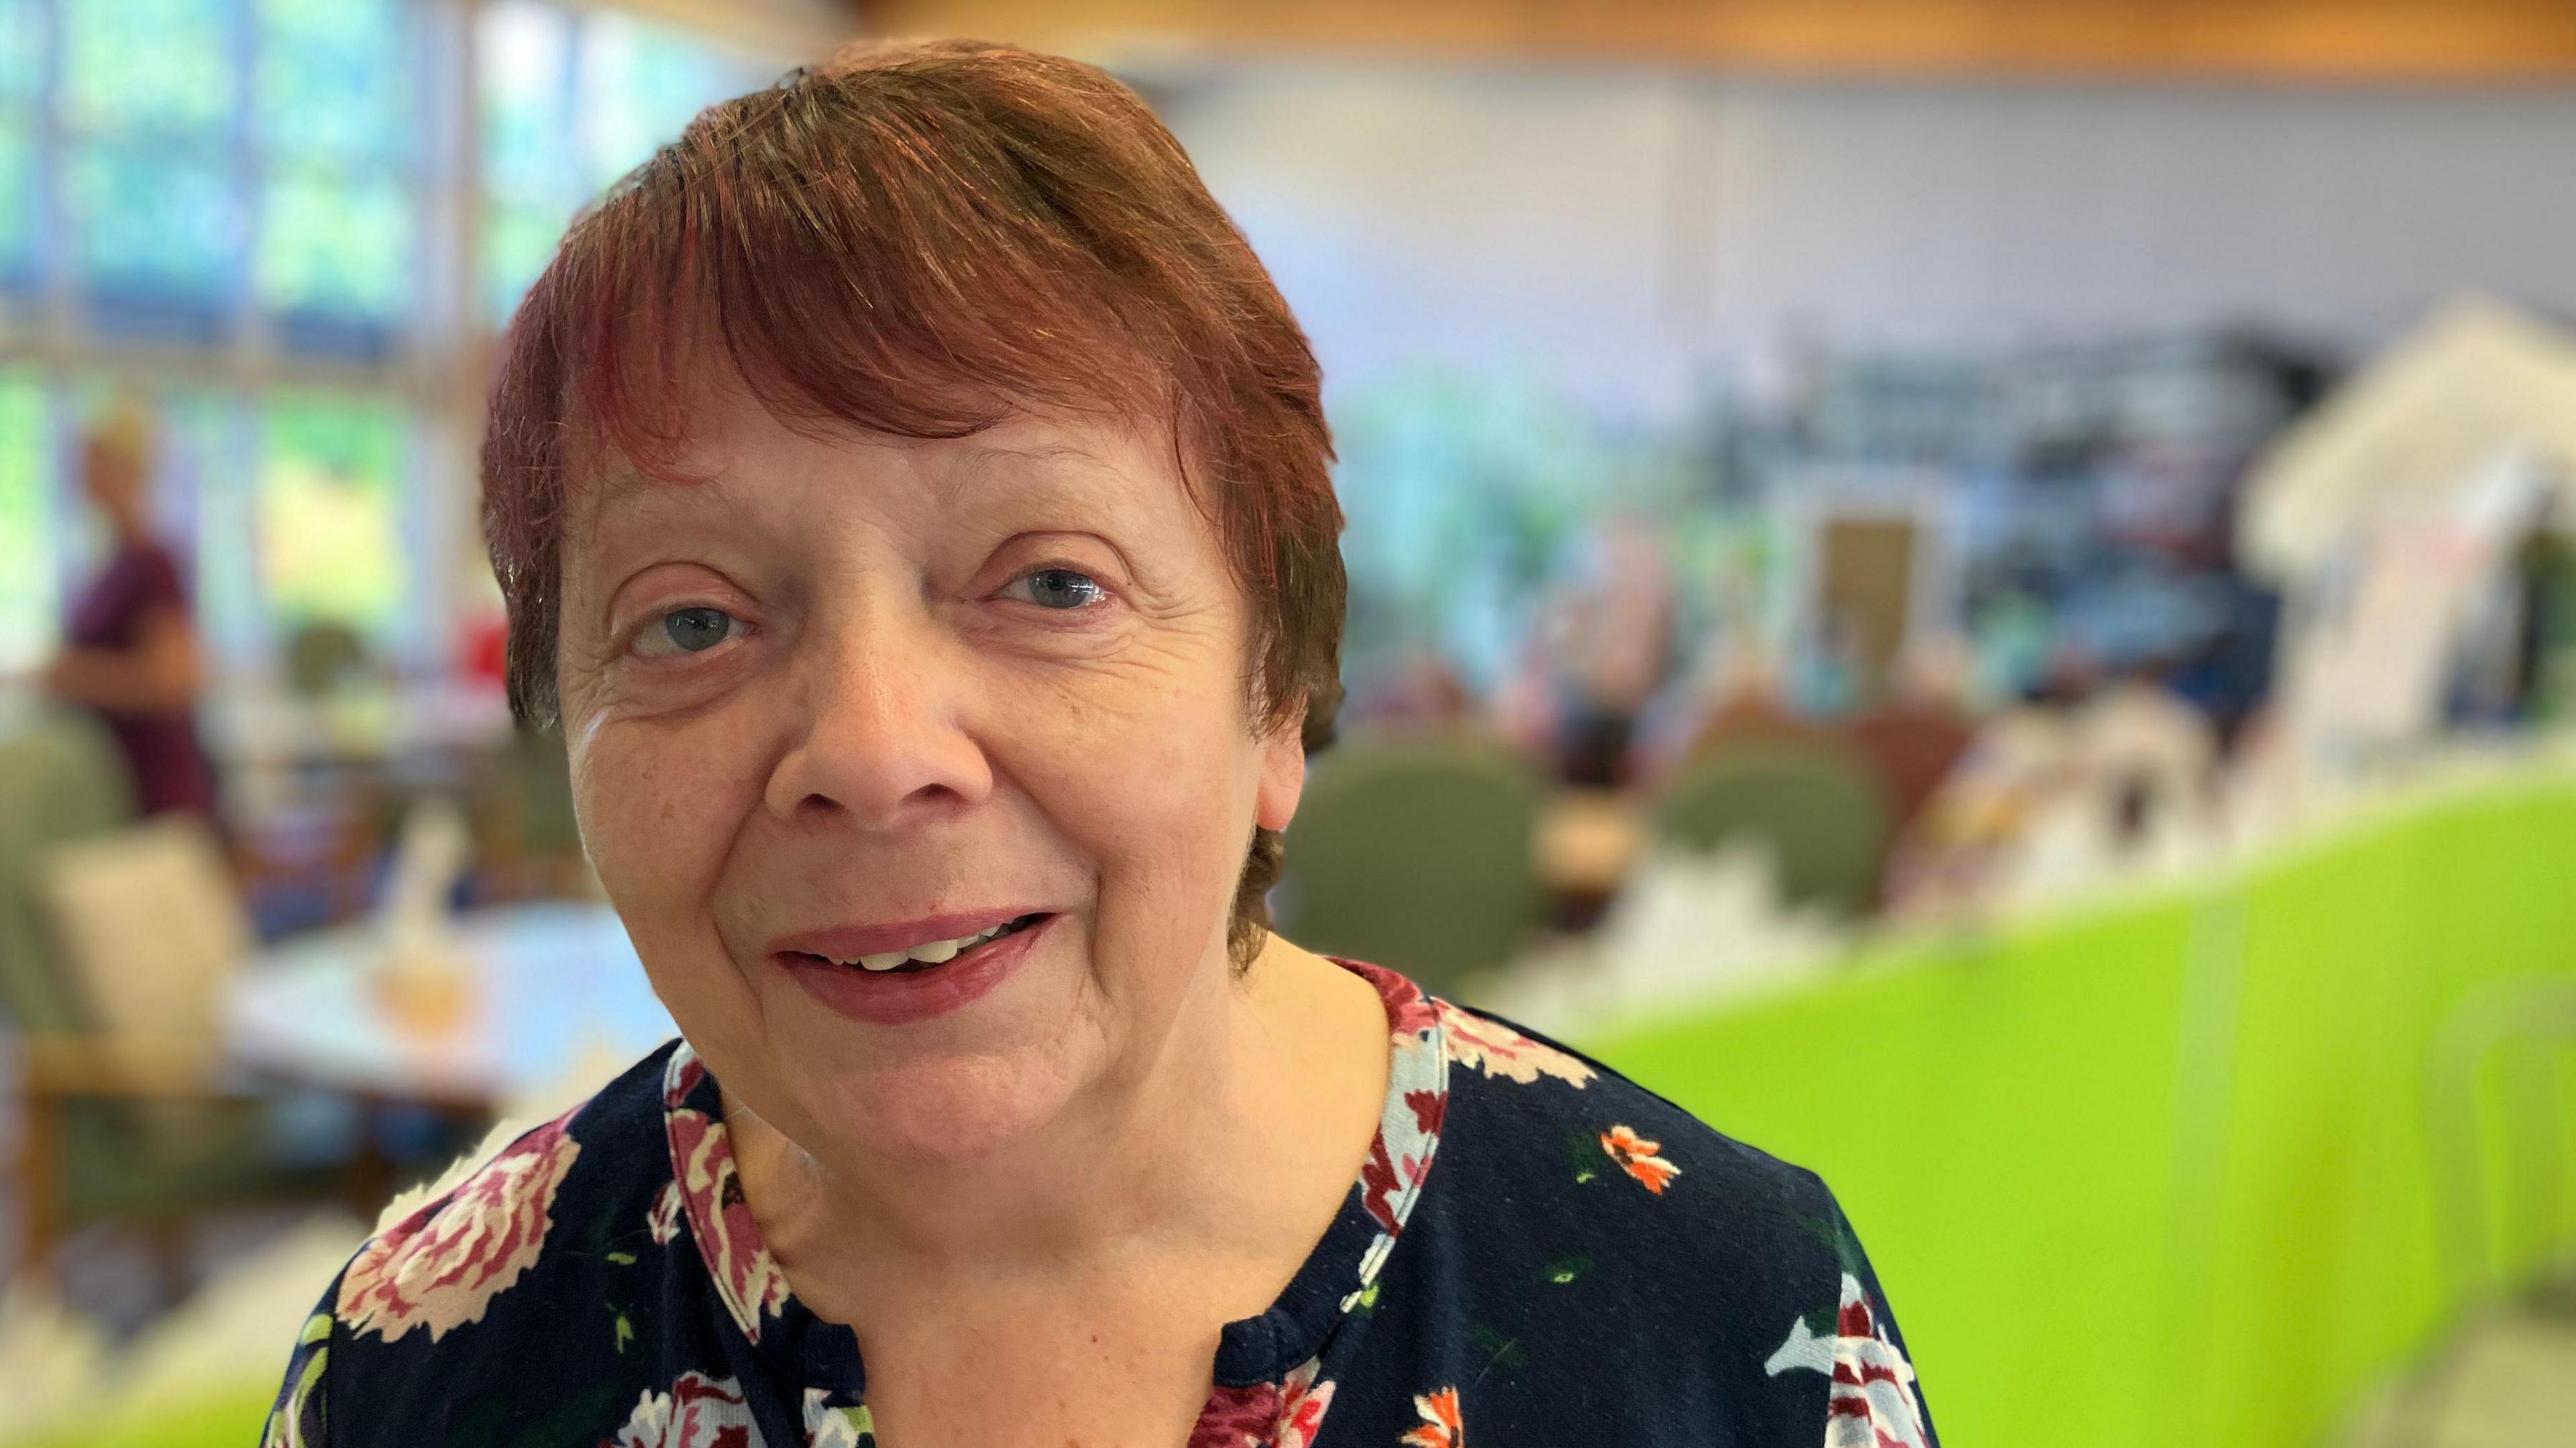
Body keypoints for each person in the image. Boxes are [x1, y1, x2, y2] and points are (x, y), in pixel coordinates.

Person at [264, 41, 1935, 1448]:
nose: (871, 746)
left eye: (1049, 581)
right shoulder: (428, 1359)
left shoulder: (1718, 1324)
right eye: (692, 619)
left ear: (1276, 693)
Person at [44, 404, 215, 820]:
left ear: (125, 472)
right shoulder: (111, 563)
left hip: (152, 778)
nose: (82, 477)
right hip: (107, 771)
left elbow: (173, 681)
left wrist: (72, 676)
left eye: (93, 464)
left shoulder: (153, 563)